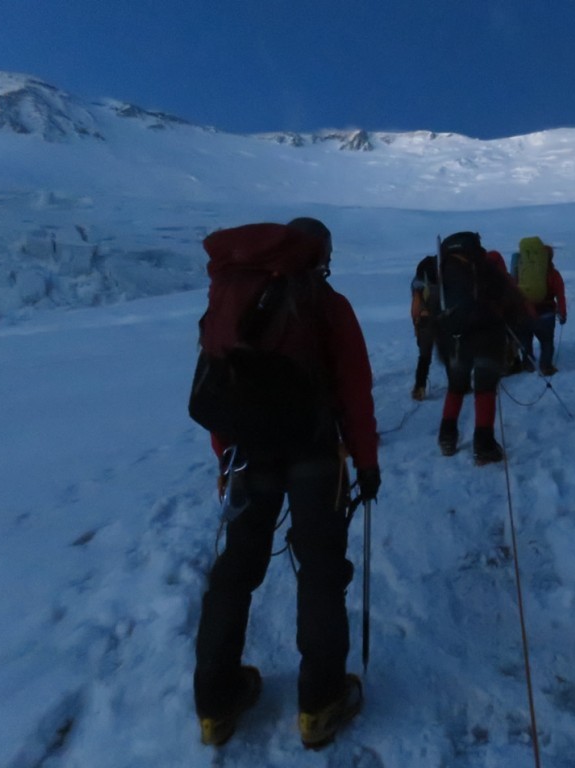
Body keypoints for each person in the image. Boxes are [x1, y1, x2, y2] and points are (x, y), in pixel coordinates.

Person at [192, 217, 380, 750]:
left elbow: (217, 381)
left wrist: (226, 458)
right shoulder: (326, 303)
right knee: (320, 571)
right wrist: (366, 463)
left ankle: (215, 705)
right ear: (321, 253)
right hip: (315, 454)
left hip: (249, 454)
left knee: (235, 569)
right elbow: (355, 390)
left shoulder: (232, 293)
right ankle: (319, 705)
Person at [434, 231, 528, 465]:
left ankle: (447, 437)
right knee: (485, 390)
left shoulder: (444, 273)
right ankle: (484, 445)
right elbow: (513, 301)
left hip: (455, 340)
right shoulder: (487, 270)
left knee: (456, 388)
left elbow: (436, 309)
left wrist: (443, 346)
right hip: (488, 339)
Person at [511, 242, 567, 376]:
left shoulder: (522, 273)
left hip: (524, 313)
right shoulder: (554, 274)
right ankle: (546, 366)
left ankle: (527, 363)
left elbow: (514, 291)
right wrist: (562, 313)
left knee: (526, 340)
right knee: (546, 341)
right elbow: (560, 295)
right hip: (546, 314)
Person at [409, 254, 439, 400]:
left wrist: (416, 324)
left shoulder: (417, 288)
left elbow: (415, 309)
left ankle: (419, 387)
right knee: (450, 353)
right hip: (438, 319)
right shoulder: (439, 284)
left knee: (424, 357)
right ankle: (459, 384)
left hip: (423, 321)